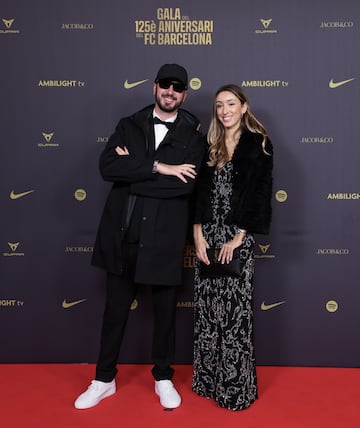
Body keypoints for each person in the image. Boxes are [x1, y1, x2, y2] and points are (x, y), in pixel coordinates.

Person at [74, 64, 204, 410]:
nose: (171, 91)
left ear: (185, 94)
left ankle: (163, 377)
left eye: (178, 87)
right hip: (124, 234)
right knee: (115, 312)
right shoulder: (128, 125)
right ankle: (104, 379)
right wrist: (160, 167)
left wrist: (132, 170)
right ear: (155, 87)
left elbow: (185, 186)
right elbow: (107, 167)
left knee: (165, 315)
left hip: (165, 239)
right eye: (166, 85)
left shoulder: (193, 134)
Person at [192, 84, 273, 411]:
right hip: (207, 238)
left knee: (235, 318)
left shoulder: (259, 145)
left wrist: (239, 237)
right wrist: (197, 233)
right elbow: (197, 193)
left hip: (237, 237)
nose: (224, 110)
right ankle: (207, 382)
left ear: (243, 107)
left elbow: (261, 194)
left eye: (230, 104)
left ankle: (235, 390)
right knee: (208, 315)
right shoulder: (209, 145)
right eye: (219, 105)